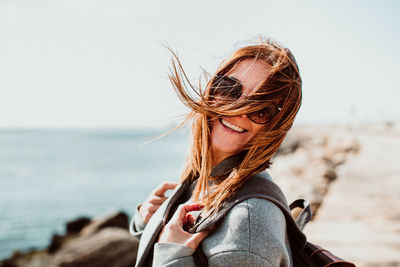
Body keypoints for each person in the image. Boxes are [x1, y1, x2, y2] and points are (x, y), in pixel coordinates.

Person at [130, 37, 302, 267]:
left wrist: (171, 255)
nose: (238, 109)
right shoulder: (204, 179)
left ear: (276, 125)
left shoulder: (247, 227)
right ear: (212, 89)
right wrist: (150, 223)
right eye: (229, 89)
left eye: (261, 108)